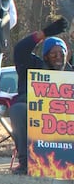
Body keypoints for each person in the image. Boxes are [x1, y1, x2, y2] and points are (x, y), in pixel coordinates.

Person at [9, 18, 71, 175]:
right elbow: (20, 50)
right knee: (18, 110)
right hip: (35, 114)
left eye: (61, 53)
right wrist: (43, 34)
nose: (58, 57)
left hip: (65, 118)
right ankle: (25, 163)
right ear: (45, 57)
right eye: (53, 53)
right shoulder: (33, 66)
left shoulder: (71, 73)